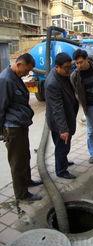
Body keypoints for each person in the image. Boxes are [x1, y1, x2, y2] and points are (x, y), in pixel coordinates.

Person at [0, 53, 42, 201]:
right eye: (27, 70)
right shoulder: (5, 79)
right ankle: (21, 194)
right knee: (17, 162)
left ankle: (27, 181)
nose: (27, 73)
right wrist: (2, 132)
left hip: (20, 125)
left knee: (25, 156)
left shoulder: (15, 77)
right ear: (19, 64)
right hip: (12, 128)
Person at [45, 53, 79, 179]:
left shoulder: (62, 75)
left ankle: (63, 161)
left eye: (70, 67)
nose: (68, 70)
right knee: (61, 146)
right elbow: (57, 109)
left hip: (66, 117)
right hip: (59, 122)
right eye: (66, 67)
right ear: (57, 66)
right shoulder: (53, 83)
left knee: (64, 146)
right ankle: (61, 171)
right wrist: (63, 129)